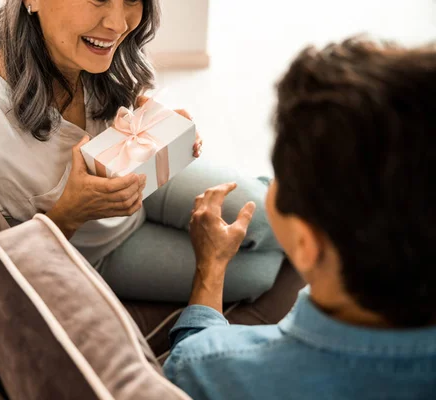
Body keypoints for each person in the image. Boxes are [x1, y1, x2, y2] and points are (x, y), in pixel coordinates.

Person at [0, 0, 284, 303]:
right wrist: (69, 214)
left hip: (142, 184)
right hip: (100, 249)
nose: (119, 24)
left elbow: (125, 102)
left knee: (269, 218)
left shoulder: (84, 51)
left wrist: (152, 123)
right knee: (257, 274)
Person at [163, 37, 436, 399]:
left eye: (279, 179)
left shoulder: (212, 368)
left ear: (307, 246)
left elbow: (193, 358)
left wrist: (210, 269)